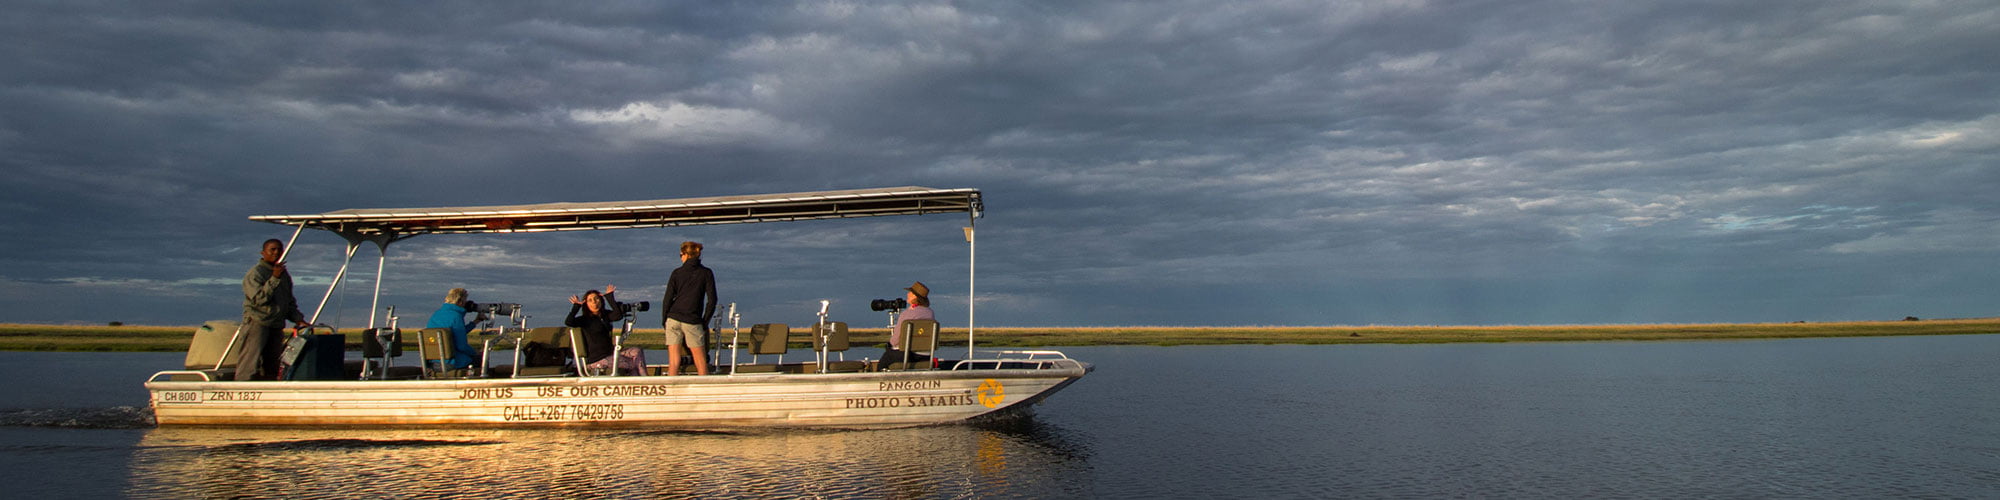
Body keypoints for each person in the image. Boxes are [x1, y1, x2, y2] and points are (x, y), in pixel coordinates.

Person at [236, 239, 306, 381]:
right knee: (250, 360)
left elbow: (288, 301)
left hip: (276, 324)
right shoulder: (256, 273)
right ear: (263, 253)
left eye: (279, 250)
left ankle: (269, 388)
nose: (276, 253)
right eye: (272, 250)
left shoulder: (284, 275)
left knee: (273, 361)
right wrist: (274, 278)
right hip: (257, 322)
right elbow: (259, 300)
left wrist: (299, 319)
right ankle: (242, 387)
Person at [661, 241, 717, 376]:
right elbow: (712, 300)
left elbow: (667, 298)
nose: (680, 258)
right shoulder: (706, 273)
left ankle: (671, 388)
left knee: (673, 360)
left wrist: (664, 319)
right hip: (692, 319)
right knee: (700, 360)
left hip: (673, 317)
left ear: (685, 254)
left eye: (680, 255)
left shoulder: (677, 273)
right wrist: (705, 321)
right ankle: (703, 390)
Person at [566, 286, 646, 375]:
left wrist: (609, 296)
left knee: (637, 351)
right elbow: (569, 322)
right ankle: (643, 381)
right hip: (596, 359)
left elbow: (618, 315)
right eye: (590, 300)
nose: (594, 302)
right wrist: (576, 306)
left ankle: (642, 381)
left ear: (601, 300)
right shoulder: (584, 320)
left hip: (609, 354)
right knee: (634, 364)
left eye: (596, 298)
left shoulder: (605, 316)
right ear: (586, 304)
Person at [426, 288, 486, 373]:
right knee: (482, 358)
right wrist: (475, 352)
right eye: (465, 301)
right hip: (451, 363)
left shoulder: (437, 314)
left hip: (434, 363)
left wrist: (476, 321)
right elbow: (461, 346)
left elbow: (455, 333)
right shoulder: (456, 316)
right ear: (460, 302)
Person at [883, 281, 935, 365]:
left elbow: (896, 339)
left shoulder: (907, 314)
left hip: (905, 354)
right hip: (925, 355)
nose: (908, 294)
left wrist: (889, 345)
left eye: (910, 292)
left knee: (883, 363)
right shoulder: (930, 313)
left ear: (915, 296)